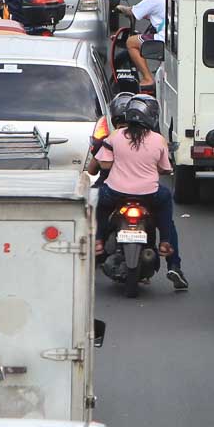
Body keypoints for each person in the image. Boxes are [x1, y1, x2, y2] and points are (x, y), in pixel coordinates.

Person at [89, 96, 188, 290]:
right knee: (166, 207)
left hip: (115, 192)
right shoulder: (158, 140)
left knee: (99, 202)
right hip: (149, 195)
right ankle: (167, 246)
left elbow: (105, 164)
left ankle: (98, 239)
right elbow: (165, 169)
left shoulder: (115, 137)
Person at [117, 0, 169, 90]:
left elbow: (133, 12)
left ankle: (147, 78)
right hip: (171, 35)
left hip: (162, 39)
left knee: (131, 42)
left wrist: (120, 8)